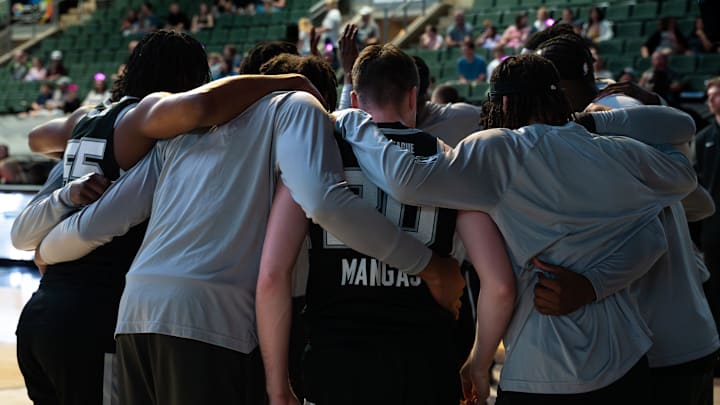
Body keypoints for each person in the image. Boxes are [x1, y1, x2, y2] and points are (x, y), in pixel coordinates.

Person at [31, 43, 465, 405]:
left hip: (137, 313)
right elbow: (322, 204)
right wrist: (426, 265)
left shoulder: (182, 129)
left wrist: (45, 251)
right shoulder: (299, 107)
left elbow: (105, 219)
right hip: (211, 320)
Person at [334, 53, 698, 404]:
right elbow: (682, 137)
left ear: (503, 106)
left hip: (540, 371)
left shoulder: (501, 151)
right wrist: (594, 122)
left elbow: (405, 180)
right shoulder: (617, 152)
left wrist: (354, 122)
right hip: (625, 363)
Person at [11, 29, 333, 405]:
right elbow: (198, 108)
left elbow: (36, 139)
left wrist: (50, 243)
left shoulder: (86, 119)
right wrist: (290, 81)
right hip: (96, 313)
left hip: (47, 309)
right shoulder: (147, 118)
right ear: (184, 80)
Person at [257, 44, 514, 405]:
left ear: (356, 100)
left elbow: (272, 276)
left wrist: (277, 383)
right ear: (413, 96)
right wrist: (478, 361)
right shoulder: (445, 162)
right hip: (423, 366)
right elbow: (500, 285)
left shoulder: (318, 158)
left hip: (337, 364)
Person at [522, 31, 720, 405]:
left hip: (651, 345)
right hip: (684, 332)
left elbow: (652, 234)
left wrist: (590, 286)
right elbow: (700, 203)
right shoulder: (624, 112)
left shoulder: (605, 116)